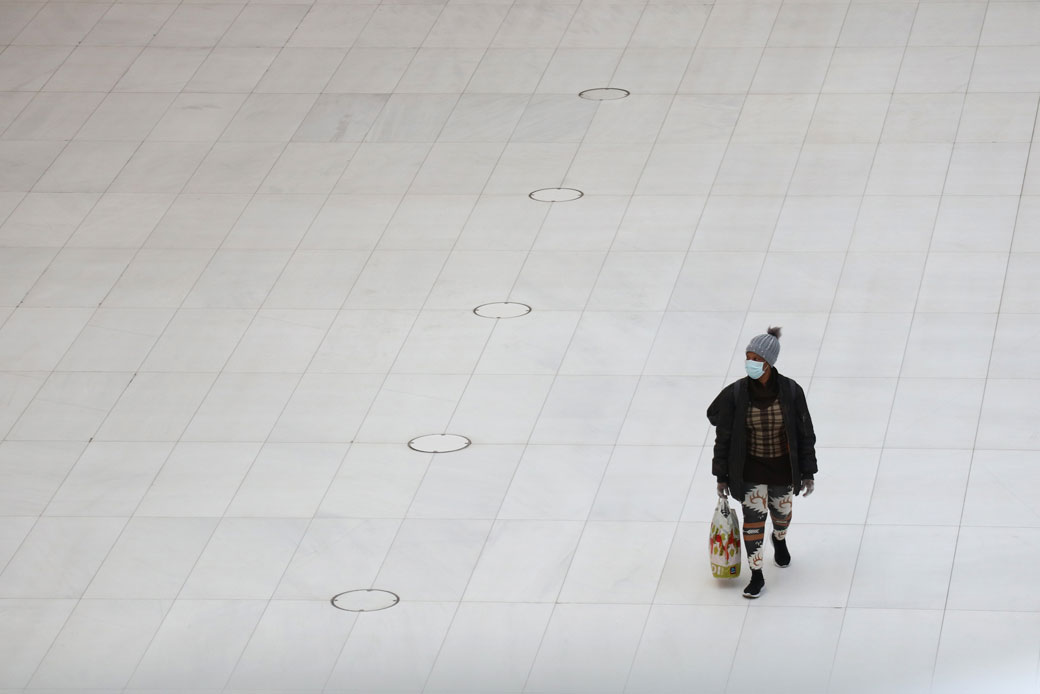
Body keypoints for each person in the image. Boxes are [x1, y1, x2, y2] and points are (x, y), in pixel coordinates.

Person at [706, 327, 817, 598]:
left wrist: (808, 471)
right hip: (750, 471)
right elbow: (723, 435)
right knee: (752, 523)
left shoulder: (791, 391)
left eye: (755, 358)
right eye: (748, 356)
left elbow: (805, 433)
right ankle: (756, 575)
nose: (750, 363)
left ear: (768, 362)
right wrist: (721, 475)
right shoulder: (736, 394)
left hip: (783, 469)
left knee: (782, 515)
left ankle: (779, 538)